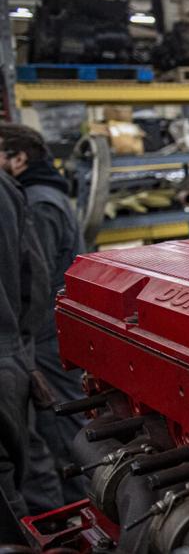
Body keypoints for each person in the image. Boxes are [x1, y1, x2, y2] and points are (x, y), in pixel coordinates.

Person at [0, 124, 88, 512]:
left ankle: (77, 506)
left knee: (58, 420)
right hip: (43, 327)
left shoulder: (38, 202)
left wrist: (23, 339)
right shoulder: (42, 195)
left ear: (19, 158)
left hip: (45, 331)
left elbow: (34, 275)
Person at [0, 168, 53, 525]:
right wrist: (20, 348)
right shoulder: (6, 187)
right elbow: (34, 280)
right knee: (26, 465)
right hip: (10, 354)